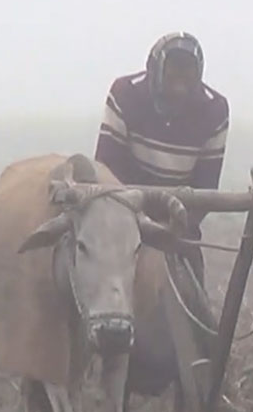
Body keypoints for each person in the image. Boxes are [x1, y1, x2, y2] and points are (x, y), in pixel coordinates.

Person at [95, 31, 229, 284]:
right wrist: (133, 219)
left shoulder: (214, 110)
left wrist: (175, 225)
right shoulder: (125, 94)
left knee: (193, 303)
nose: (180, 82)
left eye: (188, 73)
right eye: (173, 71)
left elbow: (206, 187)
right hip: (121, 214)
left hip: (178, 225)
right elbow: (106, 167)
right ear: (155, 70)